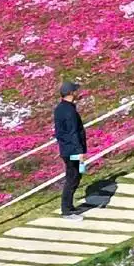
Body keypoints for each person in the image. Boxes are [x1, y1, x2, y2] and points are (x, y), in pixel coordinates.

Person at [53, 80, 87, 217]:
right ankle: (66, 210)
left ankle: (69, 206)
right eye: (75, 90)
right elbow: (73, 132)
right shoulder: (69, 111)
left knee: (76, 174)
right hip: (73, 151)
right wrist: (80, 152)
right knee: (73, 177)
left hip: (66, 149)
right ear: (71, 93)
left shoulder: (60, 108)